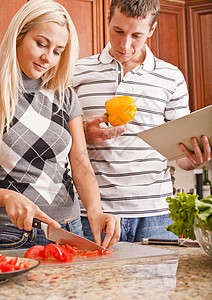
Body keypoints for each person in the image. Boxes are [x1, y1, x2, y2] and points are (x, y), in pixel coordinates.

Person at [73, 0, 212, 242]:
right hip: (93, 214)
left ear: (152, 30)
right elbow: (60, 143)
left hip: (155, 215)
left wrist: (196, 158)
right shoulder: (77, 72)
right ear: (108, 19)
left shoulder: (171, 77)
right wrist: (82, 135)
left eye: (137, 35)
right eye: (118, 31)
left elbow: (181, 157)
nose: (125, 45)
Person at [0, 0, 120, 250]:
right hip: (11, 234)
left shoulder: (64, 96)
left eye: (57, 51)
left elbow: (80, 162)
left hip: (68, 229)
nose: (48, 58)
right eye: (41, 44)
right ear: (19, 36)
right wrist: (6, 196)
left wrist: (96, 211)